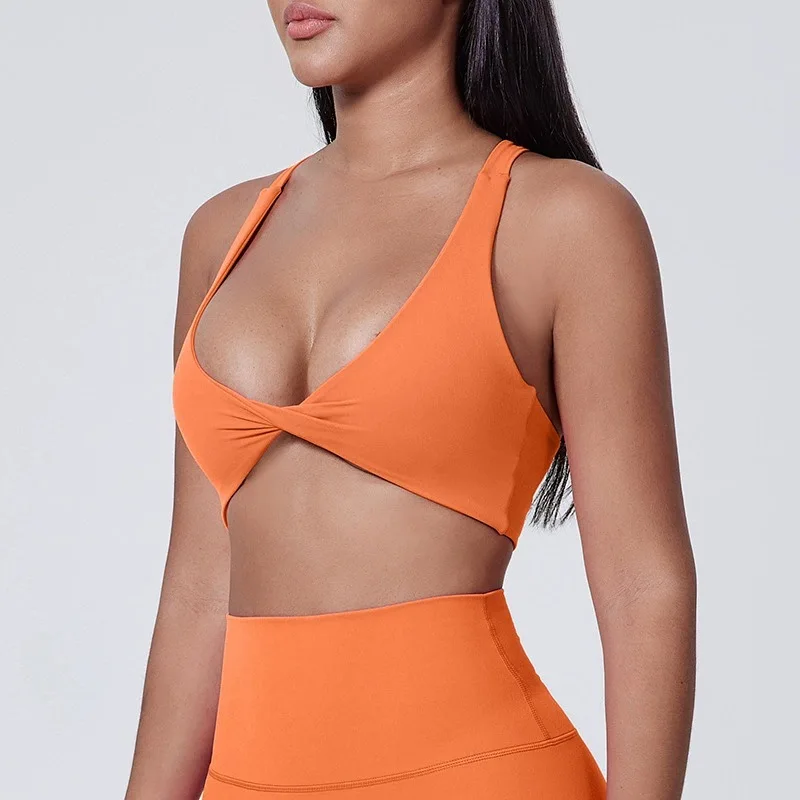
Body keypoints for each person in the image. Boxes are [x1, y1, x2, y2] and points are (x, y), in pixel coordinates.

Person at [125, 1, 697, 798]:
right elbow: (195, 587)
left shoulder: (564, 220)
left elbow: (642, 584)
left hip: (483, 776)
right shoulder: (221, 234)